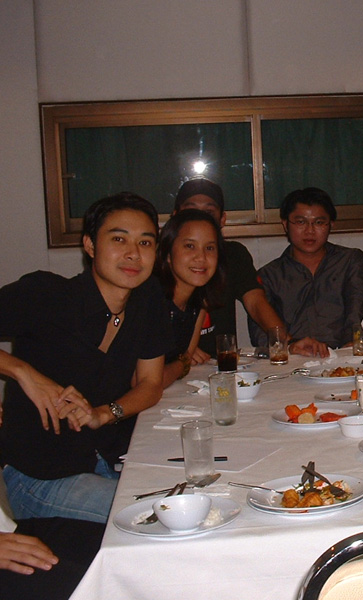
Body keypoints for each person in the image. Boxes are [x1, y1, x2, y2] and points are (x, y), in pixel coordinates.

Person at [0, 192, 172, 523]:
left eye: (145, 243)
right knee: (160, 518)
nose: (133, 253)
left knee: (200, 493)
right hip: (39, 478)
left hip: (106, 459)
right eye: (119, 239)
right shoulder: (46, 295)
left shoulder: (147, 299)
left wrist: (103, 414)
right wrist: (22, 371)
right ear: (90, 246)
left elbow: (151, 384)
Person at [172, 179, 297, 357]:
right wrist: (178, 351)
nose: (200, 218)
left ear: (222, 219)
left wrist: (287, 343)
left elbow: (256, 302)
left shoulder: (233, 254)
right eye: (190, 210)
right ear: (175, 216)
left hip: (223, 360)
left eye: (208, 212)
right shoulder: (160, 259)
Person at [248, 187, 363, 351]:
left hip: (345, 354)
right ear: (285, 224)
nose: (310, 231)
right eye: (301, 222)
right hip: (293, 357)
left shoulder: (350, 261)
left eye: (319, 223)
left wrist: (351, 346)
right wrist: (291, 348)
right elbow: (261, 334)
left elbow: (359, 311)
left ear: (331, 224)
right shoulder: (269, 275)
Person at [155, 209, 226, 388]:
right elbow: (150, 380)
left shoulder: (198, 301)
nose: (201, 257)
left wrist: (181, 364)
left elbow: (186, 357)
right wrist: (181, 365)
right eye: (189, 246)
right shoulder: (151, 301)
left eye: (209, 248)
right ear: (168, 253)